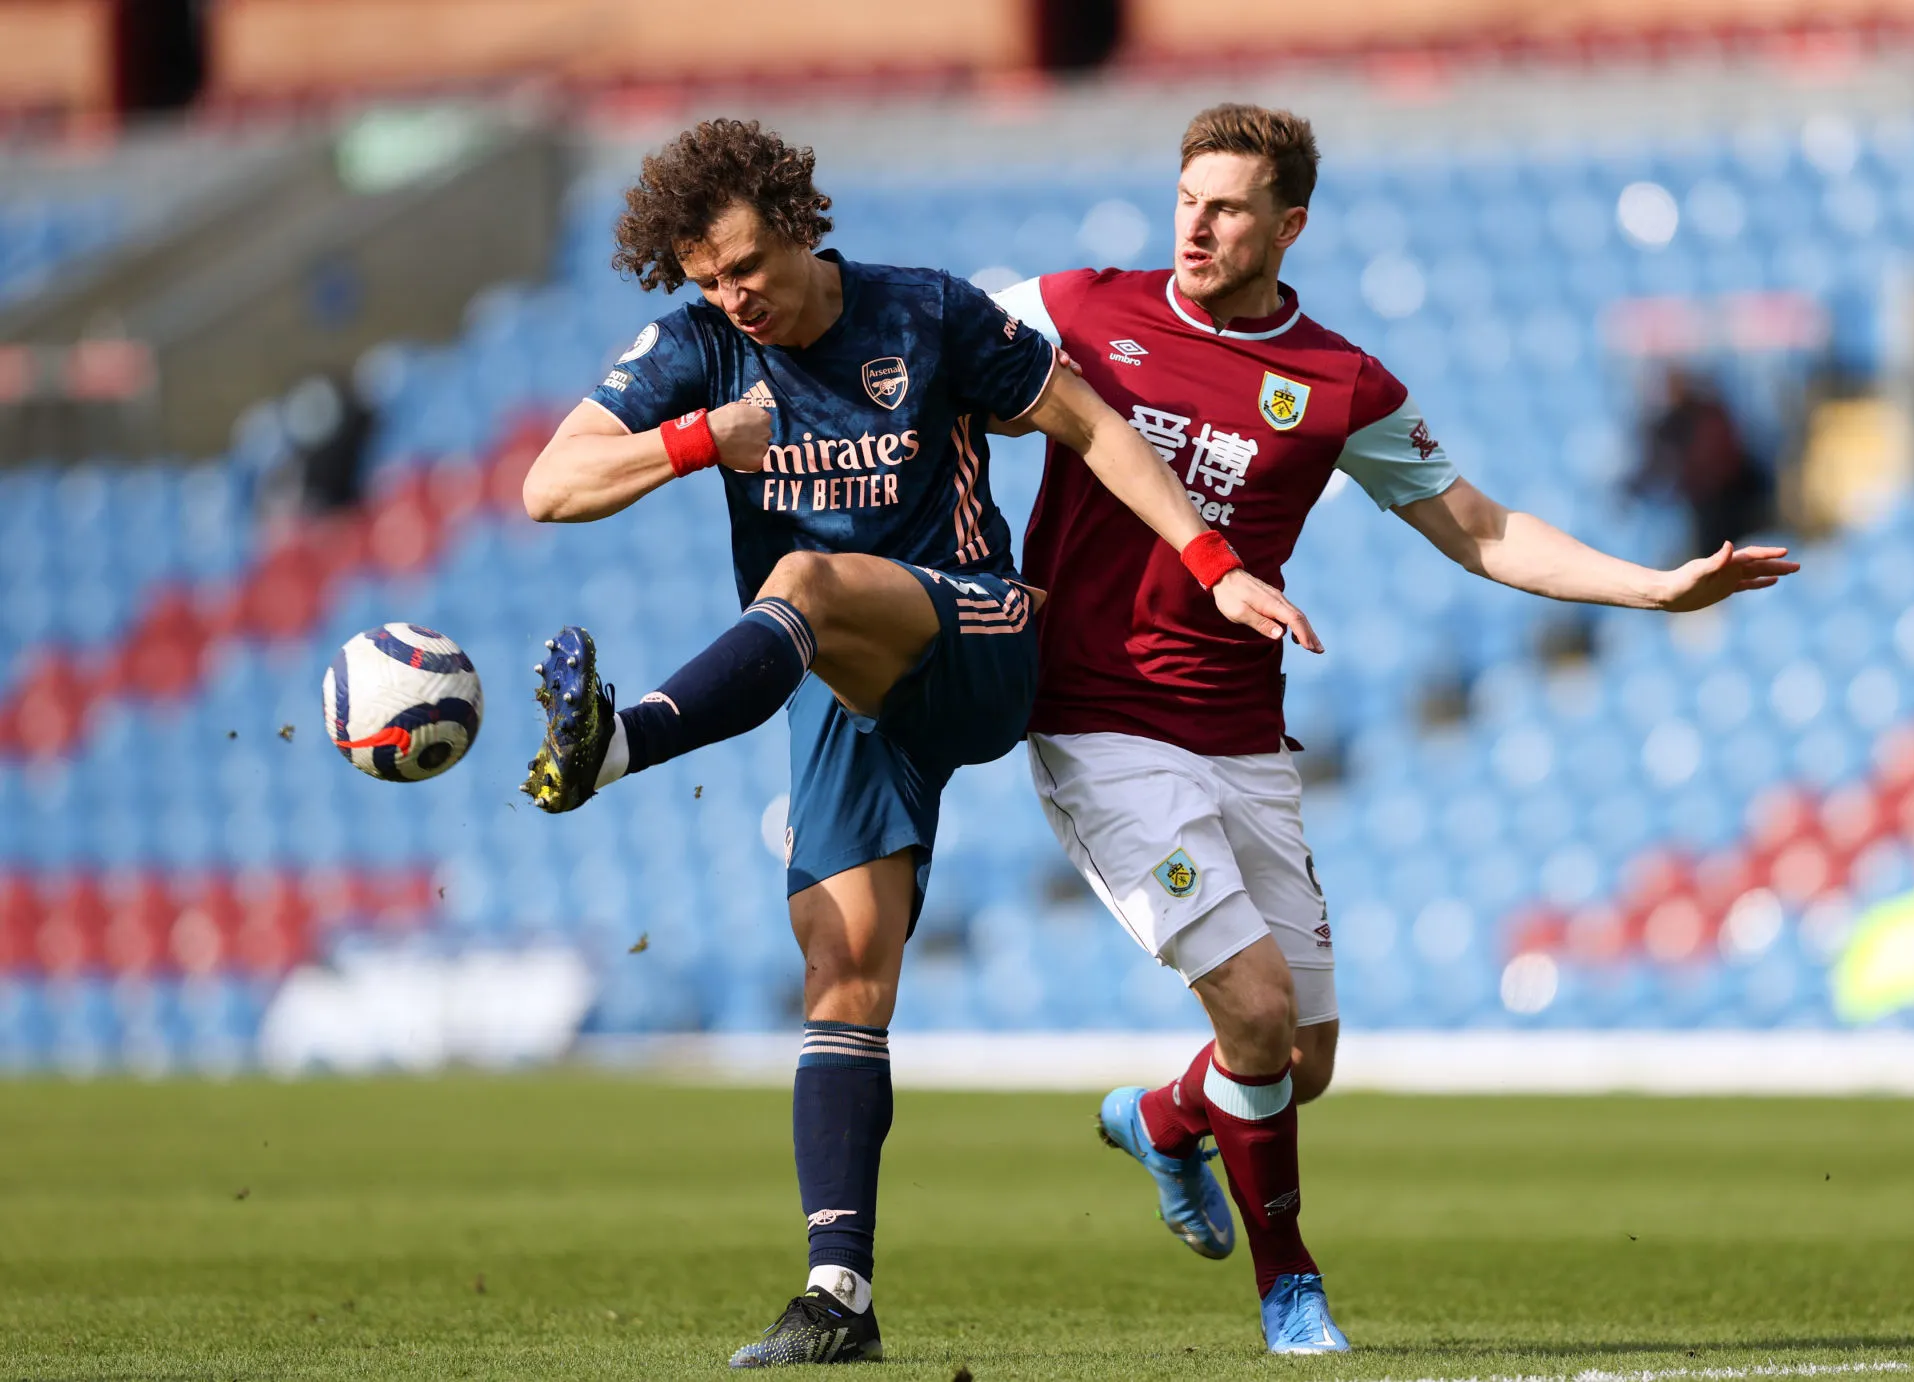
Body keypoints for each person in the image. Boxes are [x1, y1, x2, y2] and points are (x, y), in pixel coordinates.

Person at [990, 103, 1799, 1355]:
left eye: (1228, 208)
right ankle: (1289, 1289)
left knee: (1299, 1056)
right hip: (1099, 721)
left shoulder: (1336, 384)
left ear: (1287, 224)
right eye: (1184, 201)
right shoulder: (1075, 309)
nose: (1196, 227)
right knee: (1253, 1012)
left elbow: (1475, 526)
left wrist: (1651, 585)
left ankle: (1162, 1116)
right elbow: (910, 352)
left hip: (1242, 732)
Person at [515, 118, 1315, 1369]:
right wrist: (688, 441)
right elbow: (545, 486)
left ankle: (621, 744)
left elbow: (1092, 423)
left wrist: (1208, 560)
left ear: (798, 226)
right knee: (842, 972)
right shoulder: (702, 349)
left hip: (978, 632)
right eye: (710, 281)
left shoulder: (923, 310)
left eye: (747, 269)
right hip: (835, 674)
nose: (736, 299)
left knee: (804, 576)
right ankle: (839, 1292)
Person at [1630, 364, 1769, 558]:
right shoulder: (1665, 425)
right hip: (1698, 501)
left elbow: (1723, 463)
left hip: (1725, 499)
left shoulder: (1710, 415)